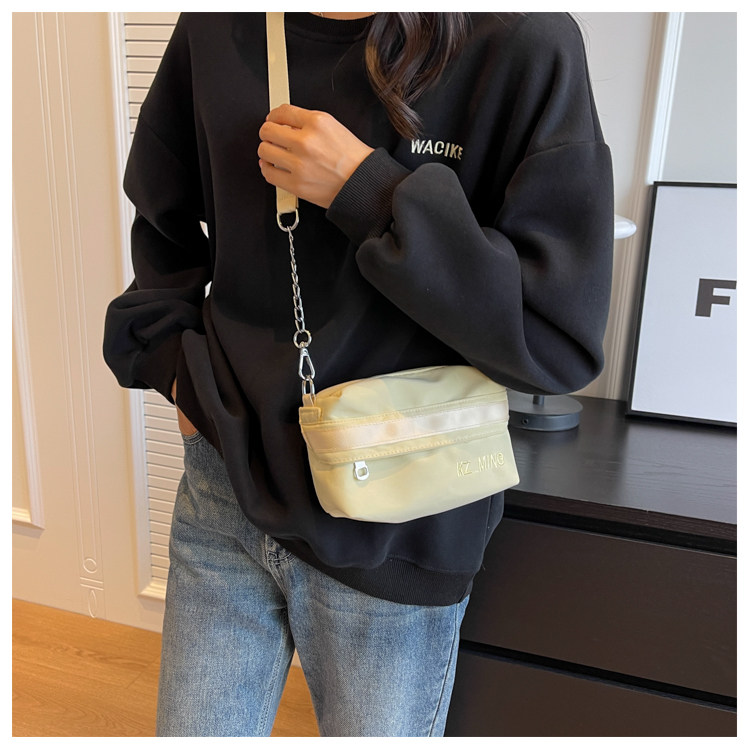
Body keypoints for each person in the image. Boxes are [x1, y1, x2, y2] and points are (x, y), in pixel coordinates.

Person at [103, 11, 613, 737]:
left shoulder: (521, 39)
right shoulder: (219, 24)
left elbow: (556, 335)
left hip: (400, 516)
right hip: (225, 488)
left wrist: (367, 191)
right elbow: (163, 219)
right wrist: (177, 377)